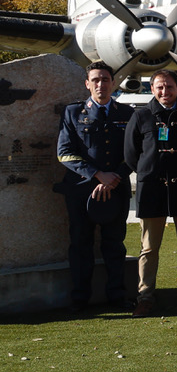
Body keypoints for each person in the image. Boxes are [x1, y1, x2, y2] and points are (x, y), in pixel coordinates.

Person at [124, 69, 177, 317]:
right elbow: (131, 156)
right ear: (152, 89)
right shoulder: (141, 116)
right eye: (160, 87)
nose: (165, 92)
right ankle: (146, 296)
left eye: (169, 87)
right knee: (149, 248)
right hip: (152, 190)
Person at [57, 61, 134, 311]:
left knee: (114, 244)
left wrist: (114, 178)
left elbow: (134, 154)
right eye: (96, 80)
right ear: (87, 84)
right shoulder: (72, 113)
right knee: (81, 244)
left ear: (113, 83)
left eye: (105, 79)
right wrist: (98, 175)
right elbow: (64, 153)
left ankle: (117, 296)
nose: (101, 84)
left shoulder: (127, 114)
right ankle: (80, 298)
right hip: (81, 190)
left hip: (117, 188)